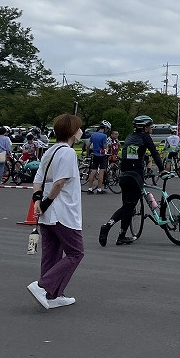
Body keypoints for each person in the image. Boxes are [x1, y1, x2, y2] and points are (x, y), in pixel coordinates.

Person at [27, 113, 85, 310]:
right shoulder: (68, 153)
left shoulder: (50, 151)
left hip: (48, 212)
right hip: (63, 211)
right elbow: (60, 182)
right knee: (76, 252)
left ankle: (53, 294)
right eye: (78, 128)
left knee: (51, 253)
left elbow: (37, 179)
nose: (80, 131)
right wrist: (46, 202)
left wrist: (38, 201)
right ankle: (43, 286)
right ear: (72, 131)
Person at [98, 115, 166, 246]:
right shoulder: (145, 137)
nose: (151, 128)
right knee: (128, 207)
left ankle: (121, 236)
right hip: (135, 176)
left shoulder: (130, 137)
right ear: (144, 128)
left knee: (128, 207)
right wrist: (162, 170)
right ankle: (107, 226)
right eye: (150, 126)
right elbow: (155, 153)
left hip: (124, 175)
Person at [85, 121, 111, 194]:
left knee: (93, 171)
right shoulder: (104, 136)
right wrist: (107, 149)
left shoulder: (93, 135)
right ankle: (99, 189)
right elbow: (104, 146)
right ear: (105, 128)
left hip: (95, 155)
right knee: (101, 172)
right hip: (102, 156)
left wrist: (87, 154)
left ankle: (90, 189)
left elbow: (88, 145)